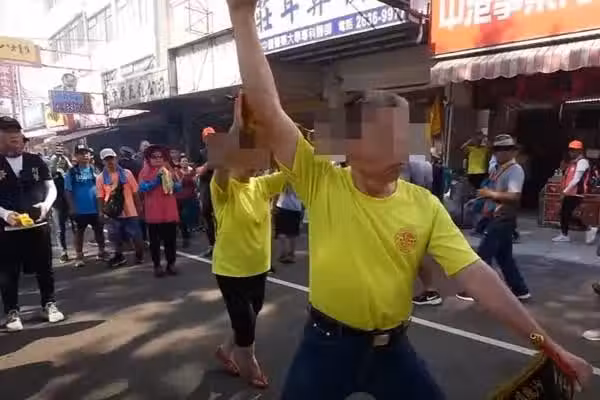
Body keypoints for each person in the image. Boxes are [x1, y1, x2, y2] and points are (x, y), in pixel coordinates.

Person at [224, 2, 592, 397]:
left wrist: (548, 345)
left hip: (392, 352)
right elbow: (268, 109)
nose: (401, 148)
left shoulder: (424, 204)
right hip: (325, 347)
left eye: (405, 136)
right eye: (387, 136)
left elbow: (477, 276)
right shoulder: (321, 180)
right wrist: (242, 16)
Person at [210, 96, 285, 389]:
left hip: (258, 267)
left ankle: (225, 350)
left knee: (250, 316)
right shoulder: (223, 188)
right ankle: (249, 362)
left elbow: (294, 170)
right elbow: (220, 163)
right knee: (245, 322)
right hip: (231, 270)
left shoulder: (262, 185)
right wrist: (236, 128)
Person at [0, 116, 65, 332]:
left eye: (17, 136)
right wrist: (4, 213)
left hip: (37, 225)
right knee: (8, 271)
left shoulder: (35, 161)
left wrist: (46, 205)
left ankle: (49, 304)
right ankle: (12, 312)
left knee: (44, 267)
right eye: (9, 136)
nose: (15, 140)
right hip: (6, 228)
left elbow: (51, 187)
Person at [456, 135, 530, 302]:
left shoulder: (515, 170)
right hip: (496, 216)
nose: (500, 153)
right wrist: (480, 199)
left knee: (483, 255)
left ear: (513, 151)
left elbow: (514, 196)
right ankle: (521, 290)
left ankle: (476, 290)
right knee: (504, 257)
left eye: (505, 149)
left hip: (503, 217)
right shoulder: (498, 168)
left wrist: (490, 194)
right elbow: (494, 191)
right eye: (497, 149)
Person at [96, 148, 144, 268]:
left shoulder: (127, 173)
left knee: (136, 236)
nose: (110, 161)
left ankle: (139, 255)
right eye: (106, 159)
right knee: (115, 237)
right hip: (113, 212)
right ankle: (119, 256)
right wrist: (101, 212)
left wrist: (139, 206)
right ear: (103, 162)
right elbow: (100, 196)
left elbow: (135, 192)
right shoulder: (100, 178)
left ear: (116, 158)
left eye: (111, 158)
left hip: (130, 210)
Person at [138, 145, 182, 277]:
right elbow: (143, 188)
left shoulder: (168, 170)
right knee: (155, 242)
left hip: (169, 211)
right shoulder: (144, 172)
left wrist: (175, 184)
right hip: (153, 213)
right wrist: (156, 181)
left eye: (160, 157)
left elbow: (178, 187)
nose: (158, 159)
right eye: (154, 157)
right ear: (149, 159)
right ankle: (157, 265)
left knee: (170, 240)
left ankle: (171, 264)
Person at [64, 145, 107, 267]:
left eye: (86, 153)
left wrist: (102, 207)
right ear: (76, 156)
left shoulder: (95, 170)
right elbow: (68, 191)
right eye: (81, 153)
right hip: (80, 209)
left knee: (99, 231)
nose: (85, 155)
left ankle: (102, 251)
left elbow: (102, 188)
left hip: (95, 207)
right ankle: (79, 256)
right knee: (79, 233)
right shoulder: (71, 172)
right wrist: (72, 207)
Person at [552, 140, 594, 243]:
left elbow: (576, 179)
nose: (571, 152)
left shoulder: (582, 162)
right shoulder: (573, 162)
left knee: (567, 213)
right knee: (566, 213)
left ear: (580, 151)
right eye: (570, 150)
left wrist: (565, 191)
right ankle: (565, 234)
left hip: (576, 193)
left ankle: (588, 228)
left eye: (574, 150)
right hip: (571, 192)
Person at [50, 149, 74, 262]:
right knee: (60, 229)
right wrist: (56, 158)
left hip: (70, 202)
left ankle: (78, 249)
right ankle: (63, 251)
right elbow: (52, 170)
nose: (61, 162)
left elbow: (72, 170)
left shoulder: (68, 174)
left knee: (76, 226)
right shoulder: (53, 174)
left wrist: (65, 159)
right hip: (58, 204)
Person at [197, 127, 216, 258]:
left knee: (223, 215)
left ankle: (225, 244)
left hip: (220, 185)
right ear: (203, 139)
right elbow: (198, 170)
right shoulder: (201, 153)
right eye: (207, 136)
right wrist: (207, 165)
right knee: (206, 212)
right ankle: (212, 245)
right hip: (206, 185)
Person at [274, 183, 303, 263]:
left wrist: (273, 205)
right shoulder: (301, 179)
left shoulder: (283, 178)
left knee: (281, 232)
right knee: (293, 233)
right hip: (296, 208)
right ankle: (291, 255)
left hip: (282, 206)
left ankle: (283, 254)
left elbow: (277, 191)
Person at [174, 155, 197, 248]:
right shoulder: (177, 172)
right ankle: (185, 236)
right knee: (182, 217)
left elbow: (195, 183)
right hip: (179, 198)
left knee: (188, 216)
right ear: (180, 163)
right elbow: (176, 184)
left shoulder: (192, 172)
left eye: (186, 161)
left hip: (190, 197)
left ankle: (188, 231)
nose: (184, 162)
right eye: (183, 161)